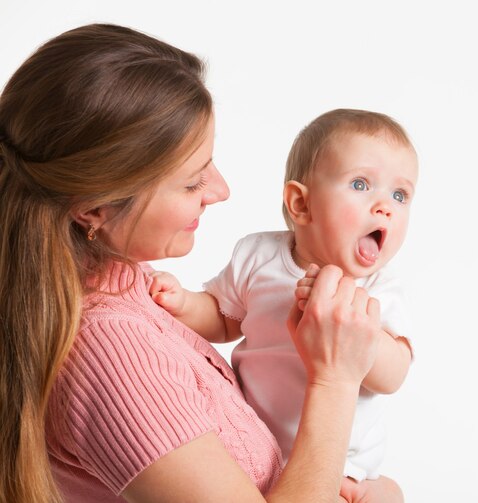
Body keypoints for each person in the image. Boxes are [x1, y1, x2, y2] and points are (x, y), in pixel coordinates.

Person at [0, 24, 397, 503]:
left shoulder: (124, 287)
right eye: (192, 182)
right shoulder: (110, 354)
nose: (221, 190)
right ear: (93, 209)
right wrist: (334, 379)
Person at [150, 108, 417, 500]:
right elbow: (225, 319)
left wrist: (356, 332)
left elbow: (393, 375)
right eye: (361, 184)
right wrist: (183, 303)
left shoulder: (377, 289)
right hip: (249, 447)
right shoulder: (259, 256)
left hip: (340, 467)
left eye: (400, 194)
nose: (385, 207)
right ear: (300, 203)